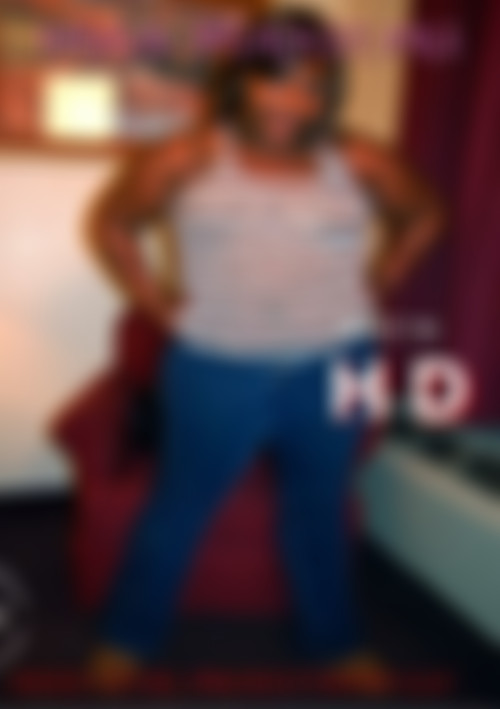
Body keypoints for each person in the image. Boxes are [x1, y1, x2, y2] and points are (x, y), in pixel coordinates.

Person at [87, 10, 444, 688]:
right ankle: (128, 634)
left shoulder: (357, 158)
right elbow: (113, 224)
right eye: (274, 80)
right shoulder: (187, 156)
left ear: (327, 91)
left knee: (319, 507)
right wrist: (154, 302)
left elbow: (426, 214)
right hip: (215, 368)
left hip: (335, 364)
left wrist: (382, 280)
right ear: (242, 80)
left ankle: (336, 642)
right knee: (178, 506)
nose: (291, 101)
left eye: (311, 85)